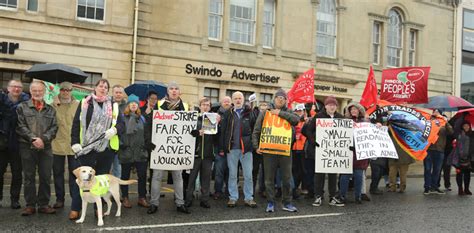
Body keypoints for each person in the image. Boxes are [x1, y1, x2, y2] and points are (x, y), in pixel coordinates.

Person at [70, 78, 125, 220]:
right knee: (81, 179)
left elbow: (121, 124)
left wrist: (114, 130)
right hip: (86, 147)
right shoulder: (85, 103)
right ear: (95, 88)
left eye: (106, 87)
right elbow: (76, 123)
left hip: (106, 149)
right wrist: (74, 142)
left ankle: (97, 209)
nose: (103, 89)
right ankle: (75, 208)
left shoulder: (114, 105)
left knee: (99, 181)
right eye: (101, 86)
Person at [253, 89, 300, 212]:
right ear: (274, 99)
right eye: (278, 97)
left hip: (285, 151)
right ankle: (270, 203)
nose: (280, 99)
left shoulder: (288, 112)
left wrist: (279, 113)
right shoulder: (265, 113)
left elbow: (296, 120)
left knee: (287, 178)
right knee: (269, 179)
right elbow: (257, 130)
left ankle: (287, 203)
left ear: (285, 101)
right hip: (269, 150)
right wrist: (256, 146)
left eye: (283, 98)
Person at [16, 80, 58, 216]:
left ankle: (43, 204)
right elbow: (20, 126)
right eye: (34, 90)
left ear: (44, 92)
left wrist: (43, 139)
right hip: (27, 146)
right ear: (30, 91)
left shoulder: (51, 109)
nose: (37, 93)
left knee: (46, 176)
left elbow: (54, 127)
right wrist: (33, 139)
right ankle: (30, 205)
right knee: (29, 177)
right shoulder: (22, 107)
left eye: (40, 90)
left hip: (46, 147)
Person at [148, 81, 190, 214]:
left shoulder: (186, 107)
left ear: (179, 92)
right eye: (171, 88)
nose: (174, 91)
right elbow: (150, 124)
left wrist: (193, 132)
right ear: (167, 91)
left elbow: (190, 126)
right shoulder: (159, 105)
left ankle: (180, 203)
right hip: (160, 147)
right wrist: (149, 141)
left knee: (178, 176)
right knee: (157, 176)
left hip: (176, 149)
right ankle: (154, 203)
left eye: (176, 89)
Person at [302, 96, 345, 207]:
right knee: (319, 175)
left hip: (334, 152)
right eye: (330, 105)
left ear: (336, 107)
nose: (332, 107)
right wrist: (314, 142)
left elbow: (346, 134)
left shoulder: (341, 118)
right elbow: (308, 130)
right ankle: (318, 196)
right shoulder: (319, 116)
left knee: (332, 175)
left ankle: (332, 197)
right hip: (321, 151)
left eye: (334, 105)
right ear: (325, 106)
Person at [219, 91, 256, 208]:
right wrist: (222, 147)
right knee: (233, 175)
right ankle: (233, 198)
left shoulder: (250, 113)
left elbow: (255, 130)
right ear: (232, 101)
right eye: (235, 98)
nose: (238, 100)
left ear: (243, 100)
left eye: (240, 98)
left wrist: (253, 144)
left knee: (248, 175)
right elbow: (223, 132)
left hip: (246, 149)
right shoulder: (227, 113)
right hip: (232, 149)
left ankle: (249, 198)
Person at [0, 80, 29, 209]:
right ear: (8, 88)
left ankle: (15, 199)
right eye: (14, 86)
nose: (16, 89)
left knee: (17, 174)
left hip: (18, 143)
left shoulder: (26, 103)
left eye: (19, 87)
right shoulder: (1, 101)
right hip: (2, 142)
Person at [51, 82, 80, 210]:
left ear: (71, 91)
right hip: (57, 143)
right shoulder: (53, 105)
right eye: (62, 90)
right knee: (58, 173)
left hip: (74, 144)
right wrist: (54, 103)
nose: (65, 92)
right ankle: (59, 199)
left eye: (68, 90)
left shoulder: (78, 105)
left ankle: (75, 200)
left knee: (74, 174)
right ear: (60, 91)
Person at [185, 97, 218, 208]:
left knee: (206, 179)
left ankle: (205, 200)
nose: (205, 106)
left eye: (207, 105)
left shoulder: (213, 119)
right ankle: (188, 199)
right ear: (200, 106)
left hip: (208, 154)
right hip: (195, 154)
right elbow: (187, 132)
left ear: (210, 107)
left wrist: (219, 123)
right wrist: (197, 132)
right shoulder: (193, 118)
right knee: (191, 179)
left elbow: (217, 136)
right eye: (203, 104)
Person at [119, 94, 150, 208]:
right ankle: (125, 197)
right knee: (125, 177)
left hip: (140, 153)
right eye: (131, 103)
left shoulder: (142, 118)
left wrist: (146, 146)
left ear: (138, 105)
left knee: (142, 177)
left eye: (135, 103)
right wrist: (122, 145)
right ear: (128, 105)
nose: (133, 105)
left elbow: (146, 134)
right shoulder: (122, 117)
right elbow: (119, 133)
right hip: (127, 151)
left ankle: (142, 197)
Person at [338, 102, 369, 205]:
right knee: (345, 176)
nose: (353, 111)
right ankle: (342, 196)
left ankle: (358, 196)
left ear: (359, 111)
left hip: (360, 154)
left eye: (355, 109)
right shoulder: (345, 122)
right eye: (352, 109)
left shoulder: (365, 123)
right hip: (347, 153)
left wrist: (378, 125)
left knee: (359, 176)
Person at [423, 109, 453, 195]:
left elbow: (451, 132)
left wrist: (446, 122)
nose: (435, 113)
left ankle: (435, 187)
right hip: (428, 149)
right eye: (434, 112)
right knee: (428, 169)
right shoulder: (428, 121)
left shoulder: (444, 124)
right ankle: (427, 187)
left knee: (437, 170)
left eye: (437, 112)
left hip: (440, 150)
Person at [213, 96, 231, 200]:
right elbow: (214, 134)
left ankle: (229, 191)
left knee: (231, 173)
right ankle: (218, 191)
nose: (227, 103)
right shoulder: (216, 115)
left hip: (232, 150)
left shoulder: (234, 114)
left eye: (228, 101)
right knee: (219, 173)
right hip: (219, 149)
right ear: (221, 103)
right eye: (225, 101)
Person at [111, 85, 127, 180]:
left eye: (120, 92)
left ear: (123, 94)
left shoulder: (127, 107)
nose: (118, 94)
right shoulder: (107, 105)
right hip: (107, 144)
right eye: (116, 92)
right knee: (104, 170)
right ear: (112, 93)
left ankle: (115, 193)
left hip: (120, 144)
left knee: (117, 171)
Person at [291, 104, 307, 199]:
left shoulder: (307, 121)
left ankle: (304, 187)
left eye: (301, 111)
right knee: (295, 170)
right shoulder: (293, 121)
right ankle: (295, 188)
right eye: (297, 111)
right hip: (294, 148)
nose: (299, 113)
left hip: (303, 148)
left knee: (304, 170)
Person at [453, 122, 473, 195]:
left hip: (469, 157)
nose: (466, 127)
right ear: (462, 127)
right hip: (459, 157)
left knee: (467, 174)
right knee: (459, 174)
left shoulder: (472, 134)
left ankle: (466, 189)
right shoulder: (459, 135)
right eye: (464, 126)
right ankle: (460, 189)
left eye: (467, 126)